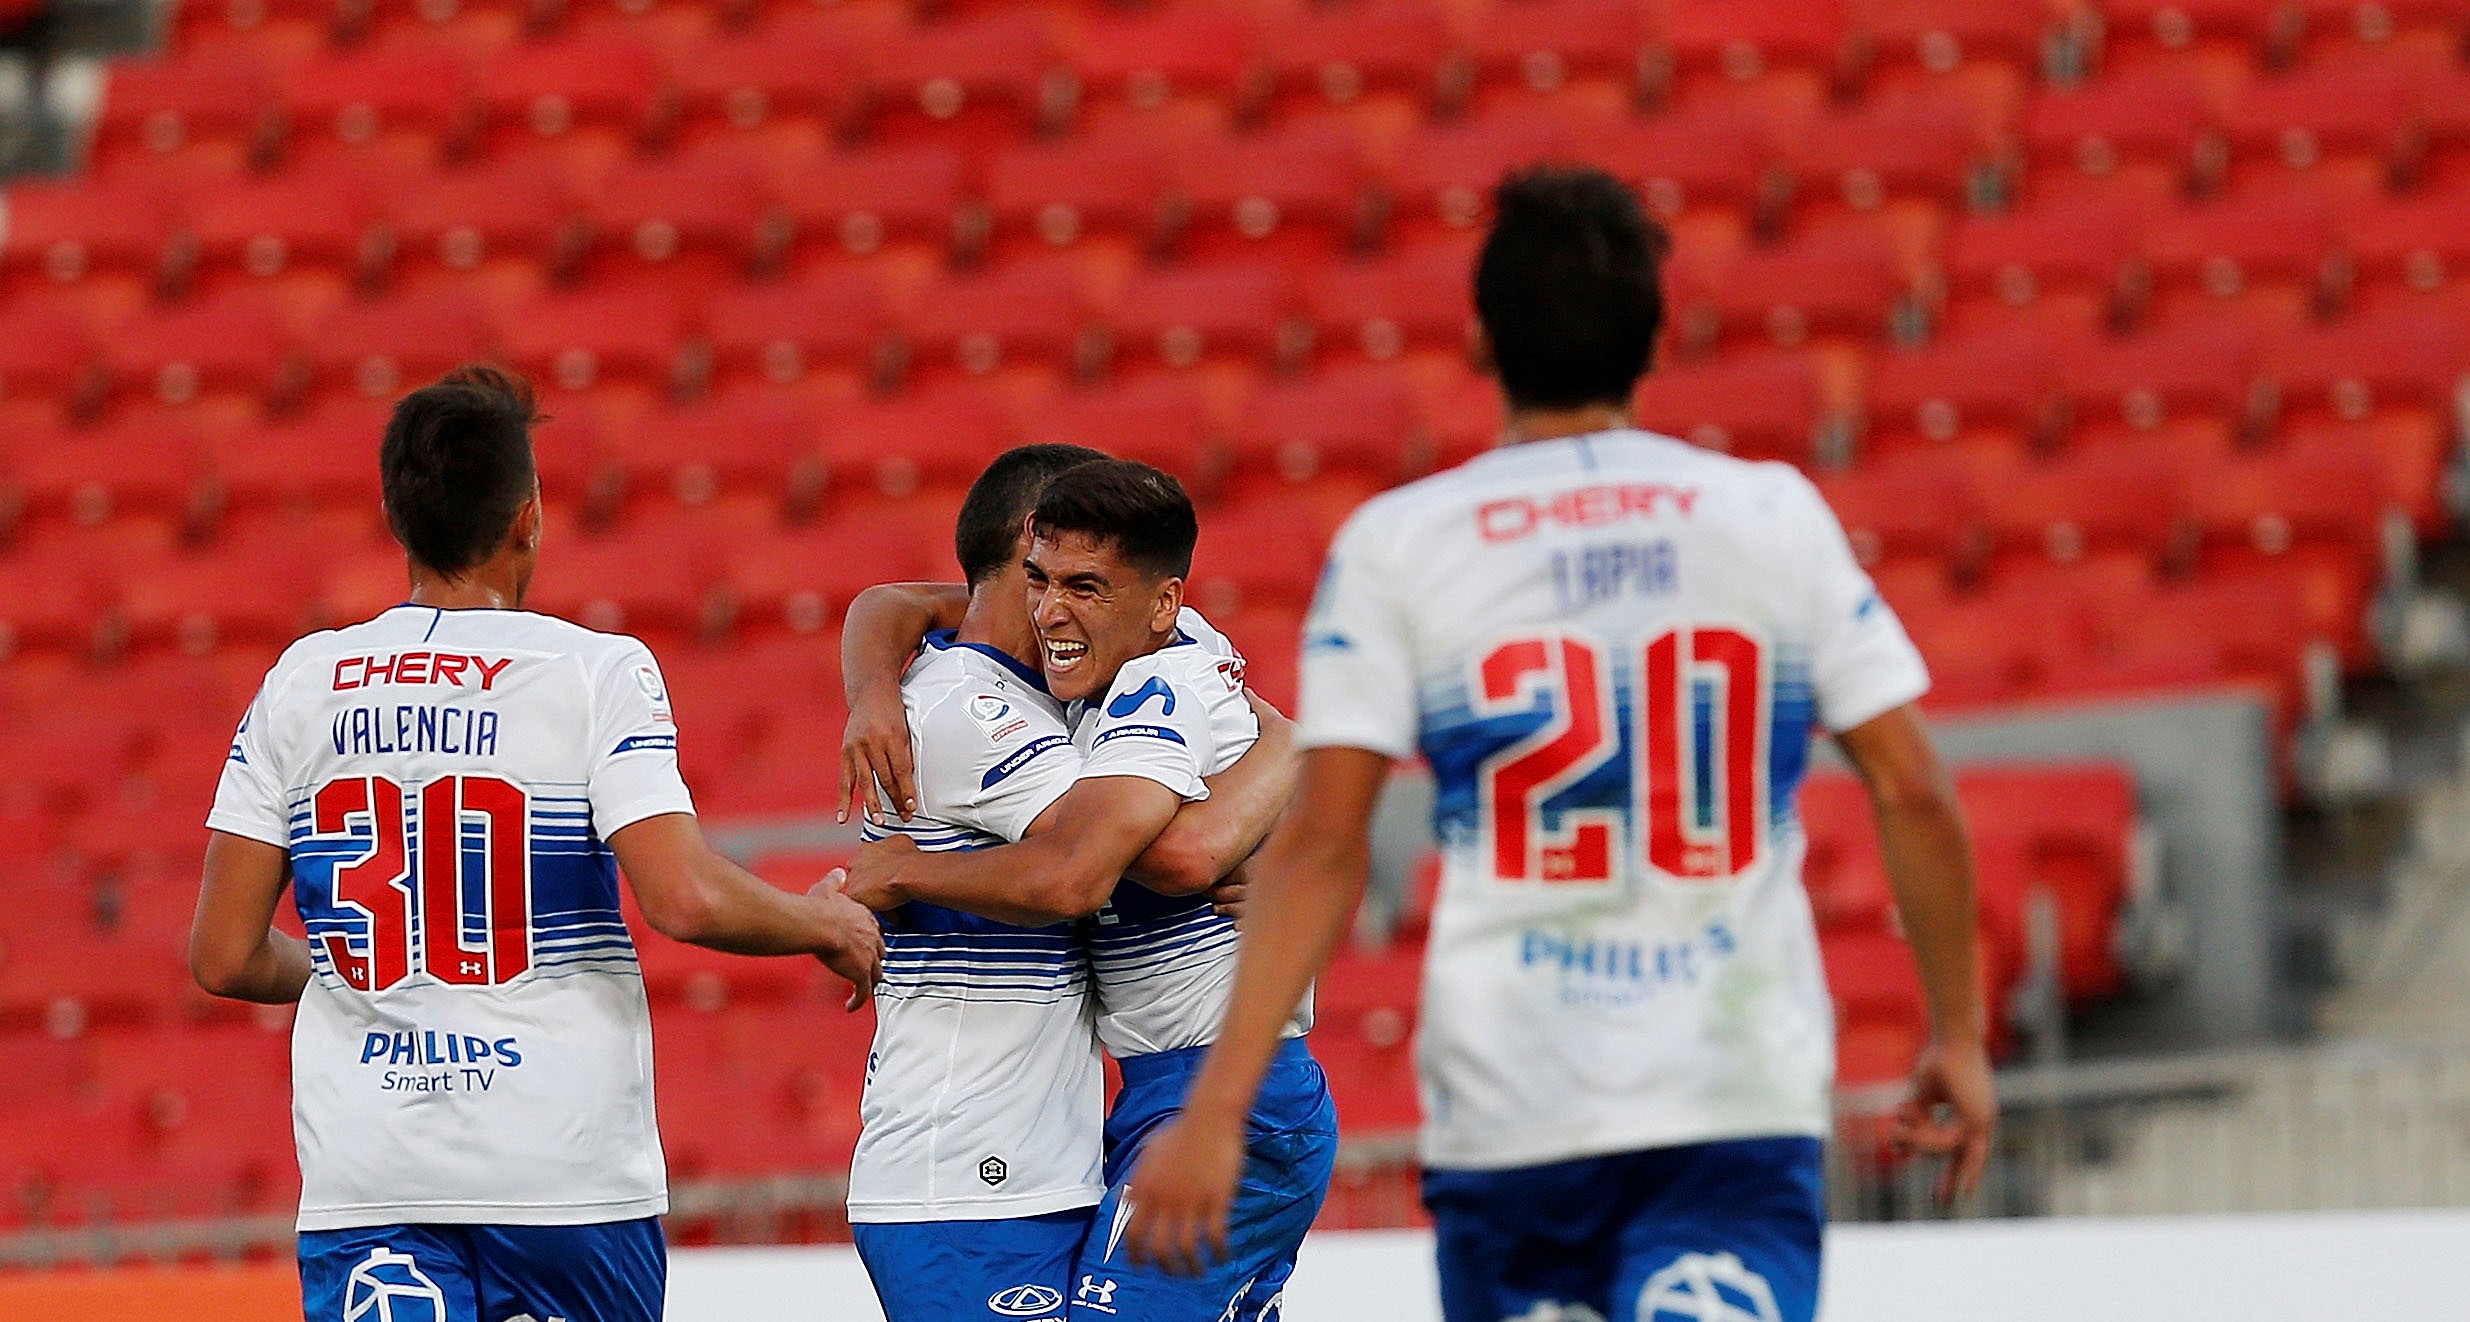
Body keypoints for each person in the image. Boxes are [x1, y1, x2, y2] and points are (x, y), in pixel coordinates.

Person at [1116, 167, 1999, 1322]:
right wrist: (1960, 1034)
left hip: (1515, 1094)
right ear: (1655, 334)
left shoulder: (1403, 542)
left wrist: (1219, 1106)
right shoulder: (1770, 516)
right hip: (1731, 1084)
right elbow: (1912, 788)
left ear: (1480, 343)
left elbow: (1323, 847)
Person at [188, 365, 884, 1322]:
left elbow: (223, 955)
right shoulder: (594, 672)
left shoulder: (302, 681)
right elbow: (683, 897)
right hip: (563, 1170)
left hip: (372, 1176)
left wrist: (380, 973)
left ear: (394, 517)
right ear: (529, 516)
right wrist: (820, 921)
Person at [838, 459, 1337, 1322]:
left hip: (1208, 1099)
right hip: (964, 1173)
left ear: (1157, 598)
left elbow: (1100, 868)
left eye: (1084, 582)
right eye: (1043, 577)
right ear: (1024, 552)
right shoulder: (975, 701)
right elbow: (897, 601)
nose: (1056, 608)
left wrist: (1294, 769)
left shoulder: (1151, 675)